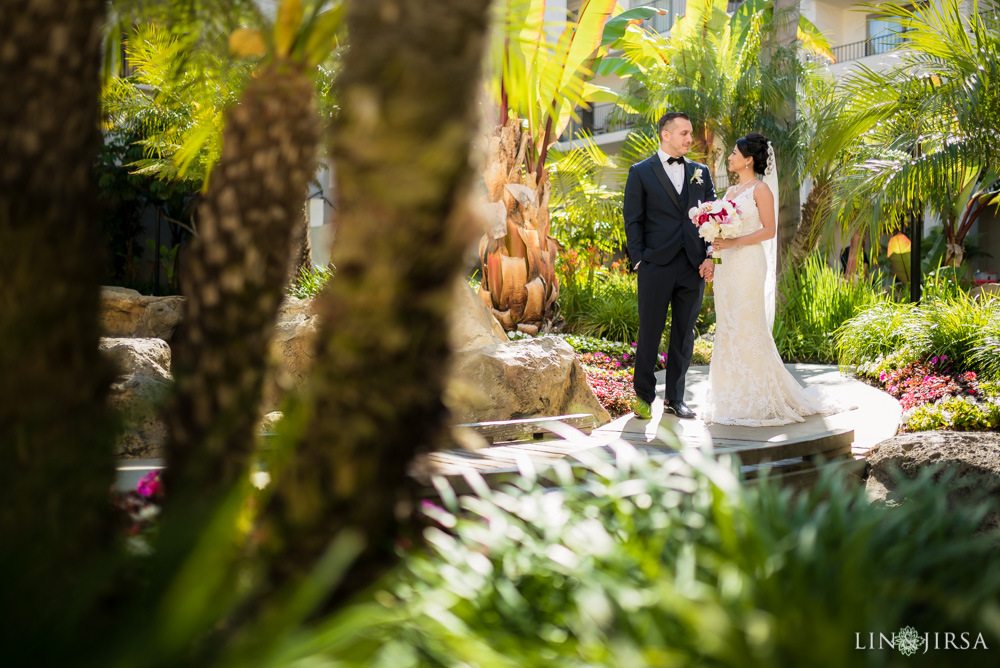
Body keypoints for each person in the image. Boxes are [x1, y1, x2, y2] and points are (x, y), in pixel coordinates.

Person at [704, 133, 834, 425]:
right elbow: (719, 234)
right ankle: (730, 396)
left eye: (735, 153)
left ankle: (756, 397)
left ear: (749, 160)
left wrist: (736, 242)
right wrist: (711, 260)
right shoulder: (729, 193)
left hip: (749, 265)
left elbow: (769, 231)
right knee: (727, 326)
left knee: (748, 325)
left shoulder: (761, 190)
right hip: (727, 268)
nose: (730, 157)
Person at [623, 111, 716, 420]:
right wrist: (639, 260)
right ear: (666, 135)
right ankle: (643, 397)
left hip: (693, 266)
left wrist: (709, 256)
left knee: (683, 335)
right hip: (655, 265)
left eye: (690, 133)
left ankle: (675, 399)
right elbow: (632, 219)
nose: (690, 138)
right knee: (649, 332)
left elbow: (712, 218)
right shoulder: (640, 172)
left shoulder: (700, 172)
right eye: (685, 133)